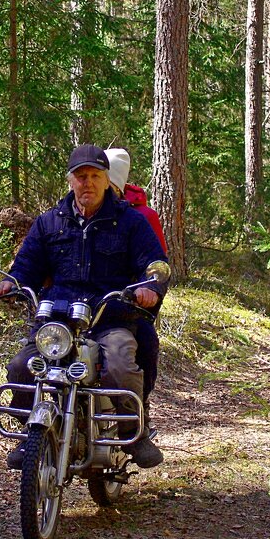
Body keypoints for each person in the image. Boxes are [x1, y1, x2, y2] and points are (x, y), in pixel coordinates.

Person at [0, 144, 168, 469]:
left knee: (118, 365)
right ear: (70, 181)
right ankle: (29, 436)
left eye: (95, 176)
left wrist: (150, 286)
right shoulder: (48, 223)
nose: (87, 182)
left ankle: (133, 432)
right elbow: (27, 265)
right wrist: (11, 282)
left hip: (109, 317)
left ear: (106, 180)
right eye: (81, 176)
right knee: (21, 368)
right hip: (57, 321)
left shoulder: (130, 222)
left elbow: (154, 263)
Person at [104, 148, 166, 416]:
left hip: (126, 302)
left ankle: (139, 410)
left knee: (146, 341)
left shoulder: (143, 217)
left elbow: (157, 264)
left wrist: (147, 291)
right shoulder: (71, 211)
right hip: (79, 304)